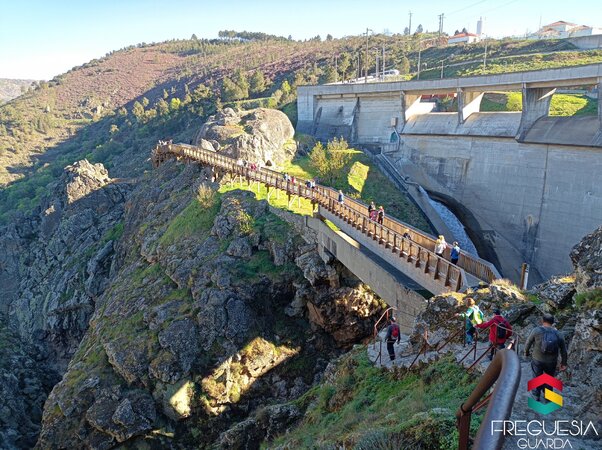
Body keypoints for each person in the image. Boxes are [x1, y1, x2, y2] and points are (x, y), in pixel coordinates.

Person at [524, 313, 568, 402]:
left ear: (542, 321)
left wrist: (526, 353)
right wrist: (563, 363)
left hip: (537, 359)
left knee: (537, 376)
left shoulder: (536, 330)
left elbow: (528, 342)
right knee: (549, 378)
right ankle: (548, 397)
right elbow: (564, 350)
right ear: (553, 322)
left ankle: (536, 395)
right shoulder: (558, 334)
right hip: (551, 361)